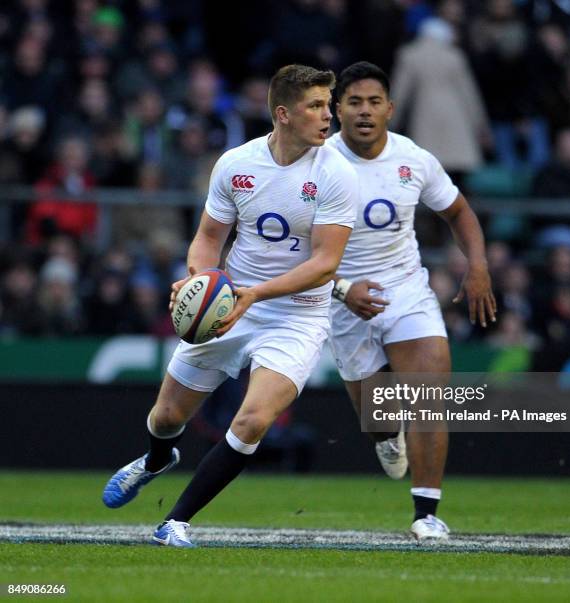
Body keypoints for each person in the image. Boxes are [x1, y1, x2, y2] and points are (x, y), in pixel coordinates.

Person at [101, 64, 357, 547]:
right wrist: (198, 282)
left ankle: (174, 521)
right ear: (282, 114)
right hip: (229, 304)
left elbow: (325, 265)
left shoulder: (337, 174)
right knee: (166, 418)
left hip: (296, 314)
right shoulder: (236, 164)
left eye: (329, 104)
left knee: (253, 419)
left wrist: (254, 295)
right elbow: (208, 239)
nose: (330, 116)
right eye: (317, 106)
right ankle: (157, 459)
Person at [328, 62, 496, 540]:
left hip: (405, 290)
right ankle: (386, 436)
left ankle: (426, 513)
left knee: (427, 396)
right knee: (379, 420)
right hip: (342, 299)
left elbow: (459, 212)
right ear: (338, 109)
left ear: (390, 109)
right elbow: (296, 247)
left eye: (373, 102)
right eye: (354, 102)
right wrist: (341, 288)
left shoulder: (414, 159)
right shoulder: (315, 163)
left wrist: (478, 264)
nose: (364, 111)